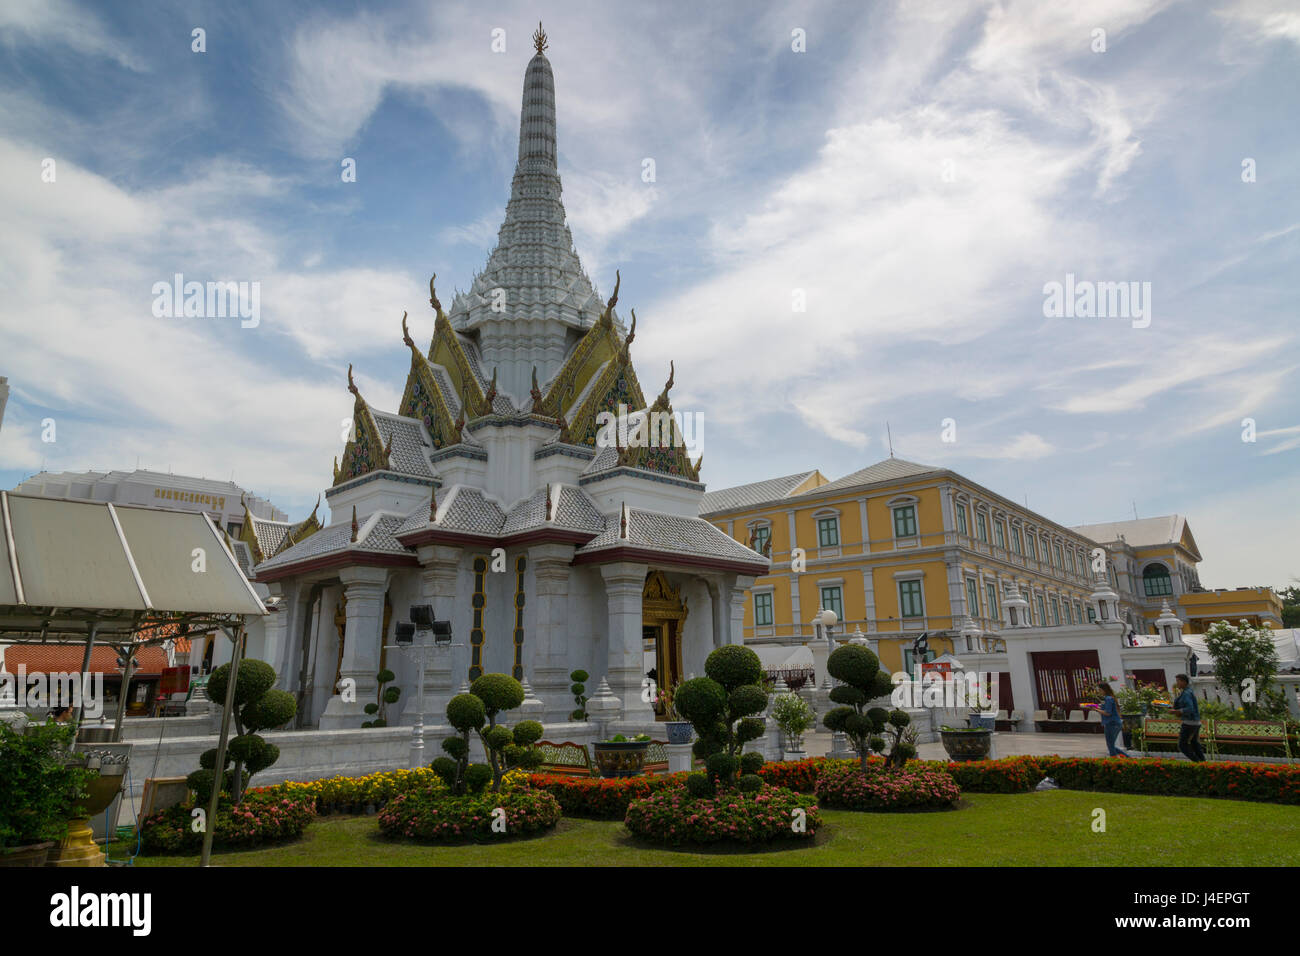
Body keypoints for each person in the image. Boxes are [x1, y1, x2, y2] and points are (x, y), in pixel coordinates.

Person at [1170, 674, 1205, 762]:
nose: (1177, 683)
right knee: (1194, 744)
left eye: (1178, 681)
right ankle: (1203, 763)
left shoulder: (1186, 693)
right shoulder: (1187, 692)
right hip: (1195, 722)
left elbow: (1190, 708)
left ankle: (1197, 762)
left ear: (1184, 682)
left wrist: (1176, 711)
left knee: (1182, 745)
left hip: (1189, 723)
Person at [1096, 683, 1129, 757]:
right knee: (1111, 745)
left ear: (1104, 690)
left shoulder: (1108, 698)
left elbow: (1108, 713)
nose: (1099, 692)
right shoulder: (1111, 698)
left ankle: (1116, 760)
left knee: (1110, 745)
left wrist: (1095, 709)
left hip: (1111, 723)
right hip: (1115, 723)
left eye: (1100, 690)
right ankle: (1127, 758)